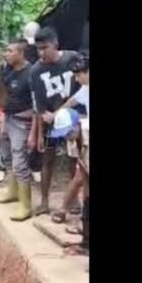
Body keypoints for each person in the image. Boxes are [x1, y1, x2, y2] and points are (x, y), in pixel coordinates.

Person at [30, 27, 80, 216]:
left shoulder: (72, 59)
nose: (41, 52)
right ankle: (44, 201)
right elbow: (39, 106)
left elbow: (82, 89)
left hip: (74, 121)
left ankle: (74, 198)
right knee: (47, 159)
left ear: (55, 44)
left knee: (73, 159)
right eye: (38, 49)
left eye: (45, 47)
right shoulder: (36, 71)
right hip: (52, 125)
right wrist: (40, 132)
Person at [0, 39, 36, 221]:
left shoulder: (31, 73)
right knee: (8, 158)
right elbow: (6, 96)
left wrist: (34, 132)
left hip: (22, 122)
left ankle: (25, 206)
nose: (7, 53)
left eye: (11, 51)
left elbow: (37, 106)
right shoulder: (8, 70)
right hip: (8, 118)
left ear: (21, 53)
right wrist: (3, 120)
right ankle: (13, 191)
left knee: (20, 163)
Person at [60, 55, 89, 257]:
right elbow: (71, 102)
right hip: (86, 142)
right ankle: (86, 239)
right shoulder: (85, 89)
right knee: (86, 191)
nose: (77, 79)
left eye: (79, 75)